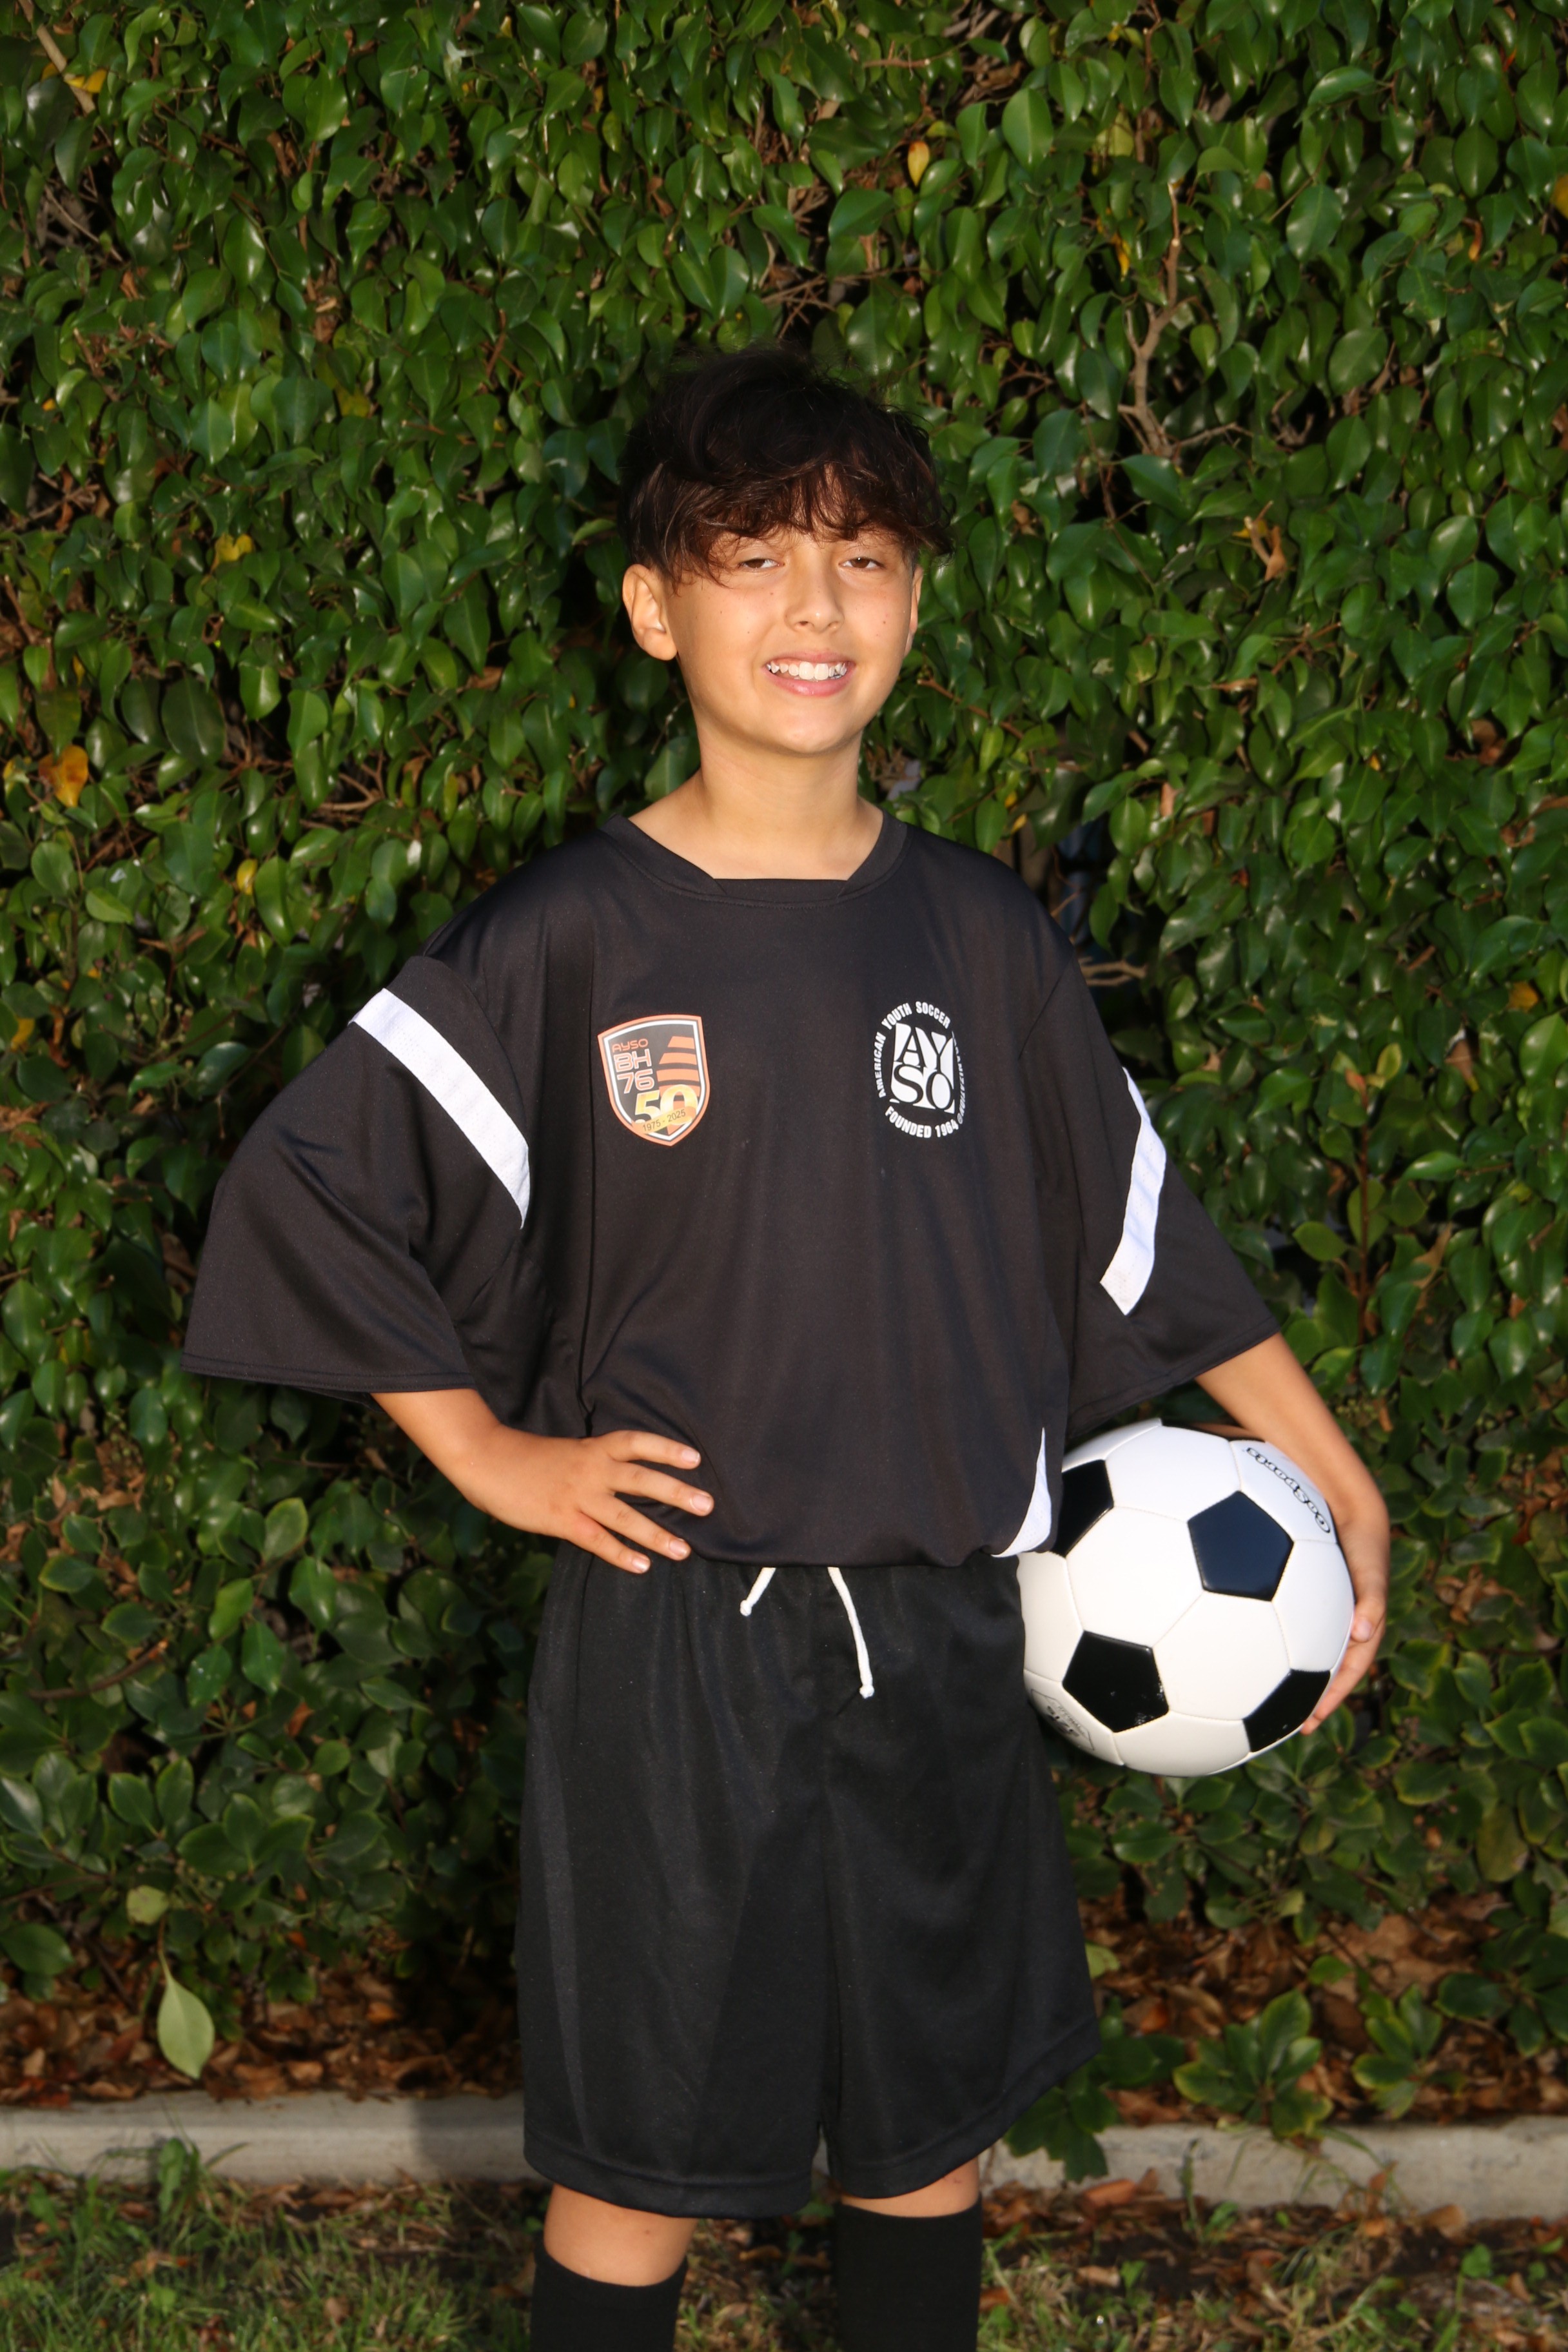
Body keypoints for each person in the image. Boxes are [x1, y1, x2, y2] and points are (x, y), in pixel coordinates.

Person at [182, 345, 1390, 2352]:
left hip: (945, 1628)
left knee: (925, 2137)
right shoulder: (571, 936)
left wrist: (1324, 1465)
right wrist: (490, 1452)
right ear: (656, 607)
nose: (816, 608)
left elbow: (1133, 1236)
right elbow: (315, 1182)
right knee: (639, 2162)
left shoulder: (984, 940)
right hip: (679, 1641)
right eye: (753, 559)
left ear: (917, 599)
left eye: (866, 560)